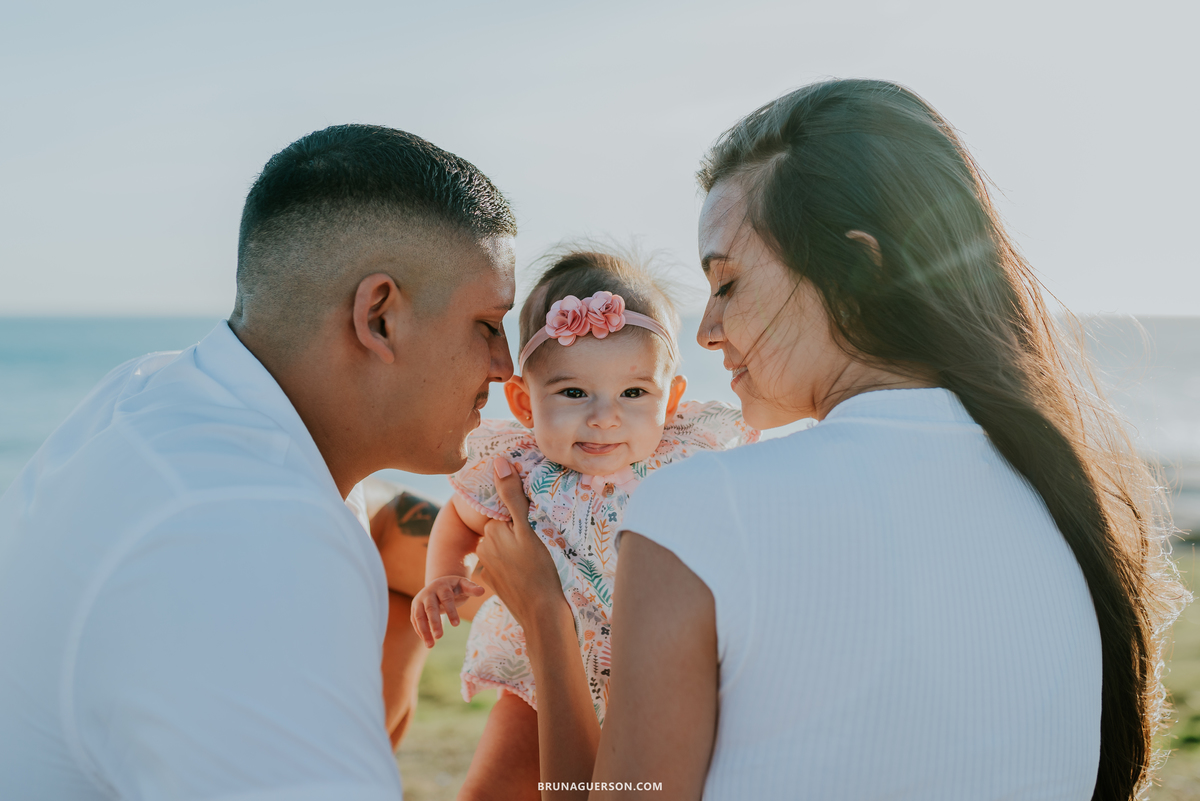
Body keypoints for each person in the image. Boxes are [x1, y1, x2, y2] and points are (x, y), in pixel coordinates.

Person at [474, 79, 1188, 800]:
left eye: (726, 284)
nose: (706, 330)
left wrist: (543, 612)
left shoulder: (698, 507)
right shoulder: (1074, 508)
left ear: (855, 270)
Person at [0, 124, 518, 799]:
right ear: (381, 317)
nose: (508, 368)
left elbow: (387, 517)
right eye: (488, 324)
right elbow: (257, 539)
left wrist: (512, 567)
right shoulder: (245, 541)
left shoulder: (162, 394)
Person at [408, 250, 757, 801]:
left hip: (651, 670)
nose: (603, 416)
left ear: (671, 400)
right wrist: (443, 573)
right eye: (573, 393)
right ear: (524, 403)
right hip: (538, 679)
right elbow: (459, 515)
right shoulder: (518, 470)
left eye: (634, 393)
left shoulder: (686, 460)